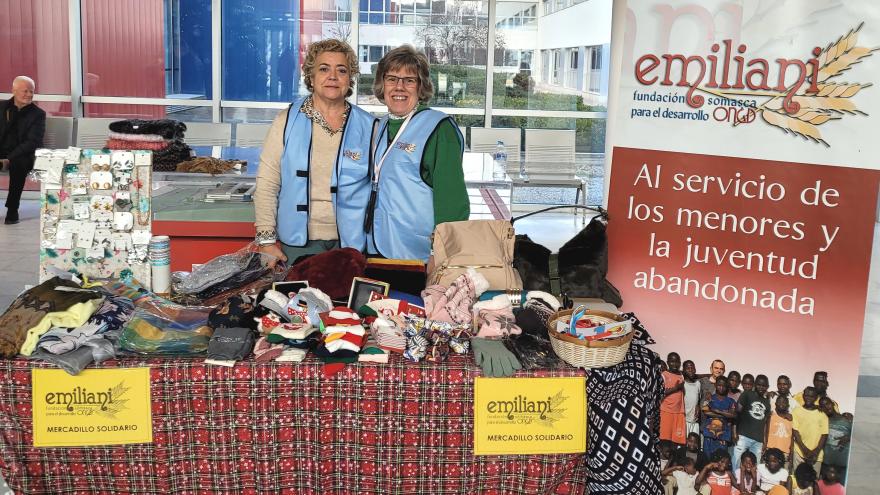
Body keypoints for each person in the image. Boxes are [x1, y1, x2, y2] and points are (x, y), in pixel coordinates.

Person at [254, 39, 375, 265]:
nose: (332, 76)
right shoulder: (285, 121)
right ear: (310, 76)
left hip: (352, 244)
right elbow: (267, 183)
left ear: (350, 79)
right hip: (297, 246)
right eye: (323, 69)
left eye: (341, 70)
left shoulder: (370, 126)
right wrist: (266, 241)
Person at [365, 44, 469, 261]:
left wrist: (443, 253)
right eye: (392, 79)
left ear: (421, 87)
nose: (399, 87)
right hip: (376, 244)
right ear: (382, 85)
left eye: (409, 80)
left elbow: (452, 198)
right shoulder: (380, 125)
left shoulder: (439, 128)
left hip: (417, 253)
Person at [0, 76, 45, 225]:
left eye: (31, 91)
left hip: (24, 154)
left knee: (17, 164)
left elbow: (32, 142)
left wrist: (9, 159)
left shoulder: (38, 114)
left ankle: (12, 209)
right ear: (13, 90)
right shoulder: (2, 107)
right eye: (25, 91)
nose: (29, 95)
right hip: (2, 150)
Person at [733, 374, 771, 472]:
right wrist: (734, 431)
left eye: (764, 386)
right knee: (737, 461)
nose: (761, 387)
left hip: (758, 440)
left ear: (767, 387)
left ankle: (750, 485)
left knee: (755, 465)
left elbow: (766, 423)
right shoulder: (747, 394)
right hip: (744, 436)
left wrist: (765, 440)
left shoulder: (767, 402)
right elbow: (737, 413)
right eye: (759, 385)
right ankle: (735, 482)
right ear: (754, 384)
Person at [791, 387, 828, 475]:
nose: (808, 398)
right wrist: (804, 449)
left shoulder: (822, 414)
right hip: (799, 452)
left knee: (813, 481)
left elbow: (824, 434)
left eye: (811, 396)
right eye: (806, 395)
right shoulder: (796, 411)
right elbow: (795, 432)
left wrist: (816, 451)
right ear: (803, 396)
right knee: (797, 478)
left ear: (816, 398)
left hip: (816, 455)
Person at [702, 375, 737, 458]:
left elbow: (733, 415)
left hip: (723, 435)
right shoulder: (710, 398)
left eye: (724, 386)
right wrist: (724, 414)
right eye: (719, 385)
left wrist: (717, 411)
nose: (721, 388)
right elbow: (706, 412)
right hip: (709, 433)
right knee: (707, 457)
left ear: (727, 387)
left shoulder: (731, 401)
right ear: (715, 385)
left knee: (720, 459)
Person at [818, 397, 850, 484]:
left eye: (827, 404)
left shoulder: (847, 420)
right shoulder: (823, 420)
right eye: (823, 406)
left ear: (832, 404)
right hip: (827, 463)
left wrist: (849, 437)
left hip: (843, 464)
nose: (827, 407)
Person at [661, 352, 687, 446]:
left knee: (676, 442)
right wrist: (675, 388)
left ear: (680, 363)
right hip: (666, 412)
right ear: (668, 362)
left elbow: (696, 375)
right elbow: (660, 393)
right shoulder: (664, 375)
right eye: (672, 361)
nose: (674, 364)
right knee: (664, 440)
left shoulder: (681, 375)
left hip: (679, 412)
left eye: (677, 362)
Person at [765, 395, 795, 464]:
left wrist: (791, 453)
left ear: (788, 405)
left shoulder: (791, 419)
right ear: (775, 404)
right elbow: (765, 432)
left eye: (784, 402)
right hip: (770, 450)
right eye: (779, 402)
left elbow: (792, 438)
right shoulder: (771, 416)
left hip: (785, 452)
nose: (781, 404)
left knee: (783, 473)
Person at [683, 360, 703, 435]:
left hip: (694, 421)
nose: (690, 370)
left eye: (692, 368)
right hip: (684, 420)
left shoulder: (698, 384)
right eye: (688, 368)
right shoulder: (682, 383)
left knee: (694, 443)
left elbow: (698, 399)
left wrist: (698, 406)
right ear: (684, 370)